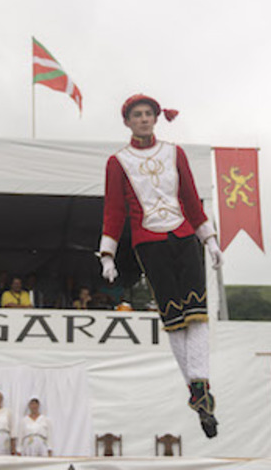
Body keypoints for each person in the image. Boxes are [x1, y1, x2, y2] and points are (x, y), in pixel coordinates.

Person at [97, 94, 224, 438]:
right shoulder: (117, 162)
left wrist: (209, 238)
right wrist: (107, 253)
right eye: (136, 115)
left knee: (196, 313)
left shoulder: (174, 152)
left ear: (156, 118)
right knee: (174, 319)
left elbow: (190, 198)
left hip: (184, 237)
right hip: (149, 243)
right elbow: (114, 211)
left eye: (148, 114)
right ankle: (196, 390)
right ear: (127, 122)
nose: (143, 119)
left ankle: (199, 389)